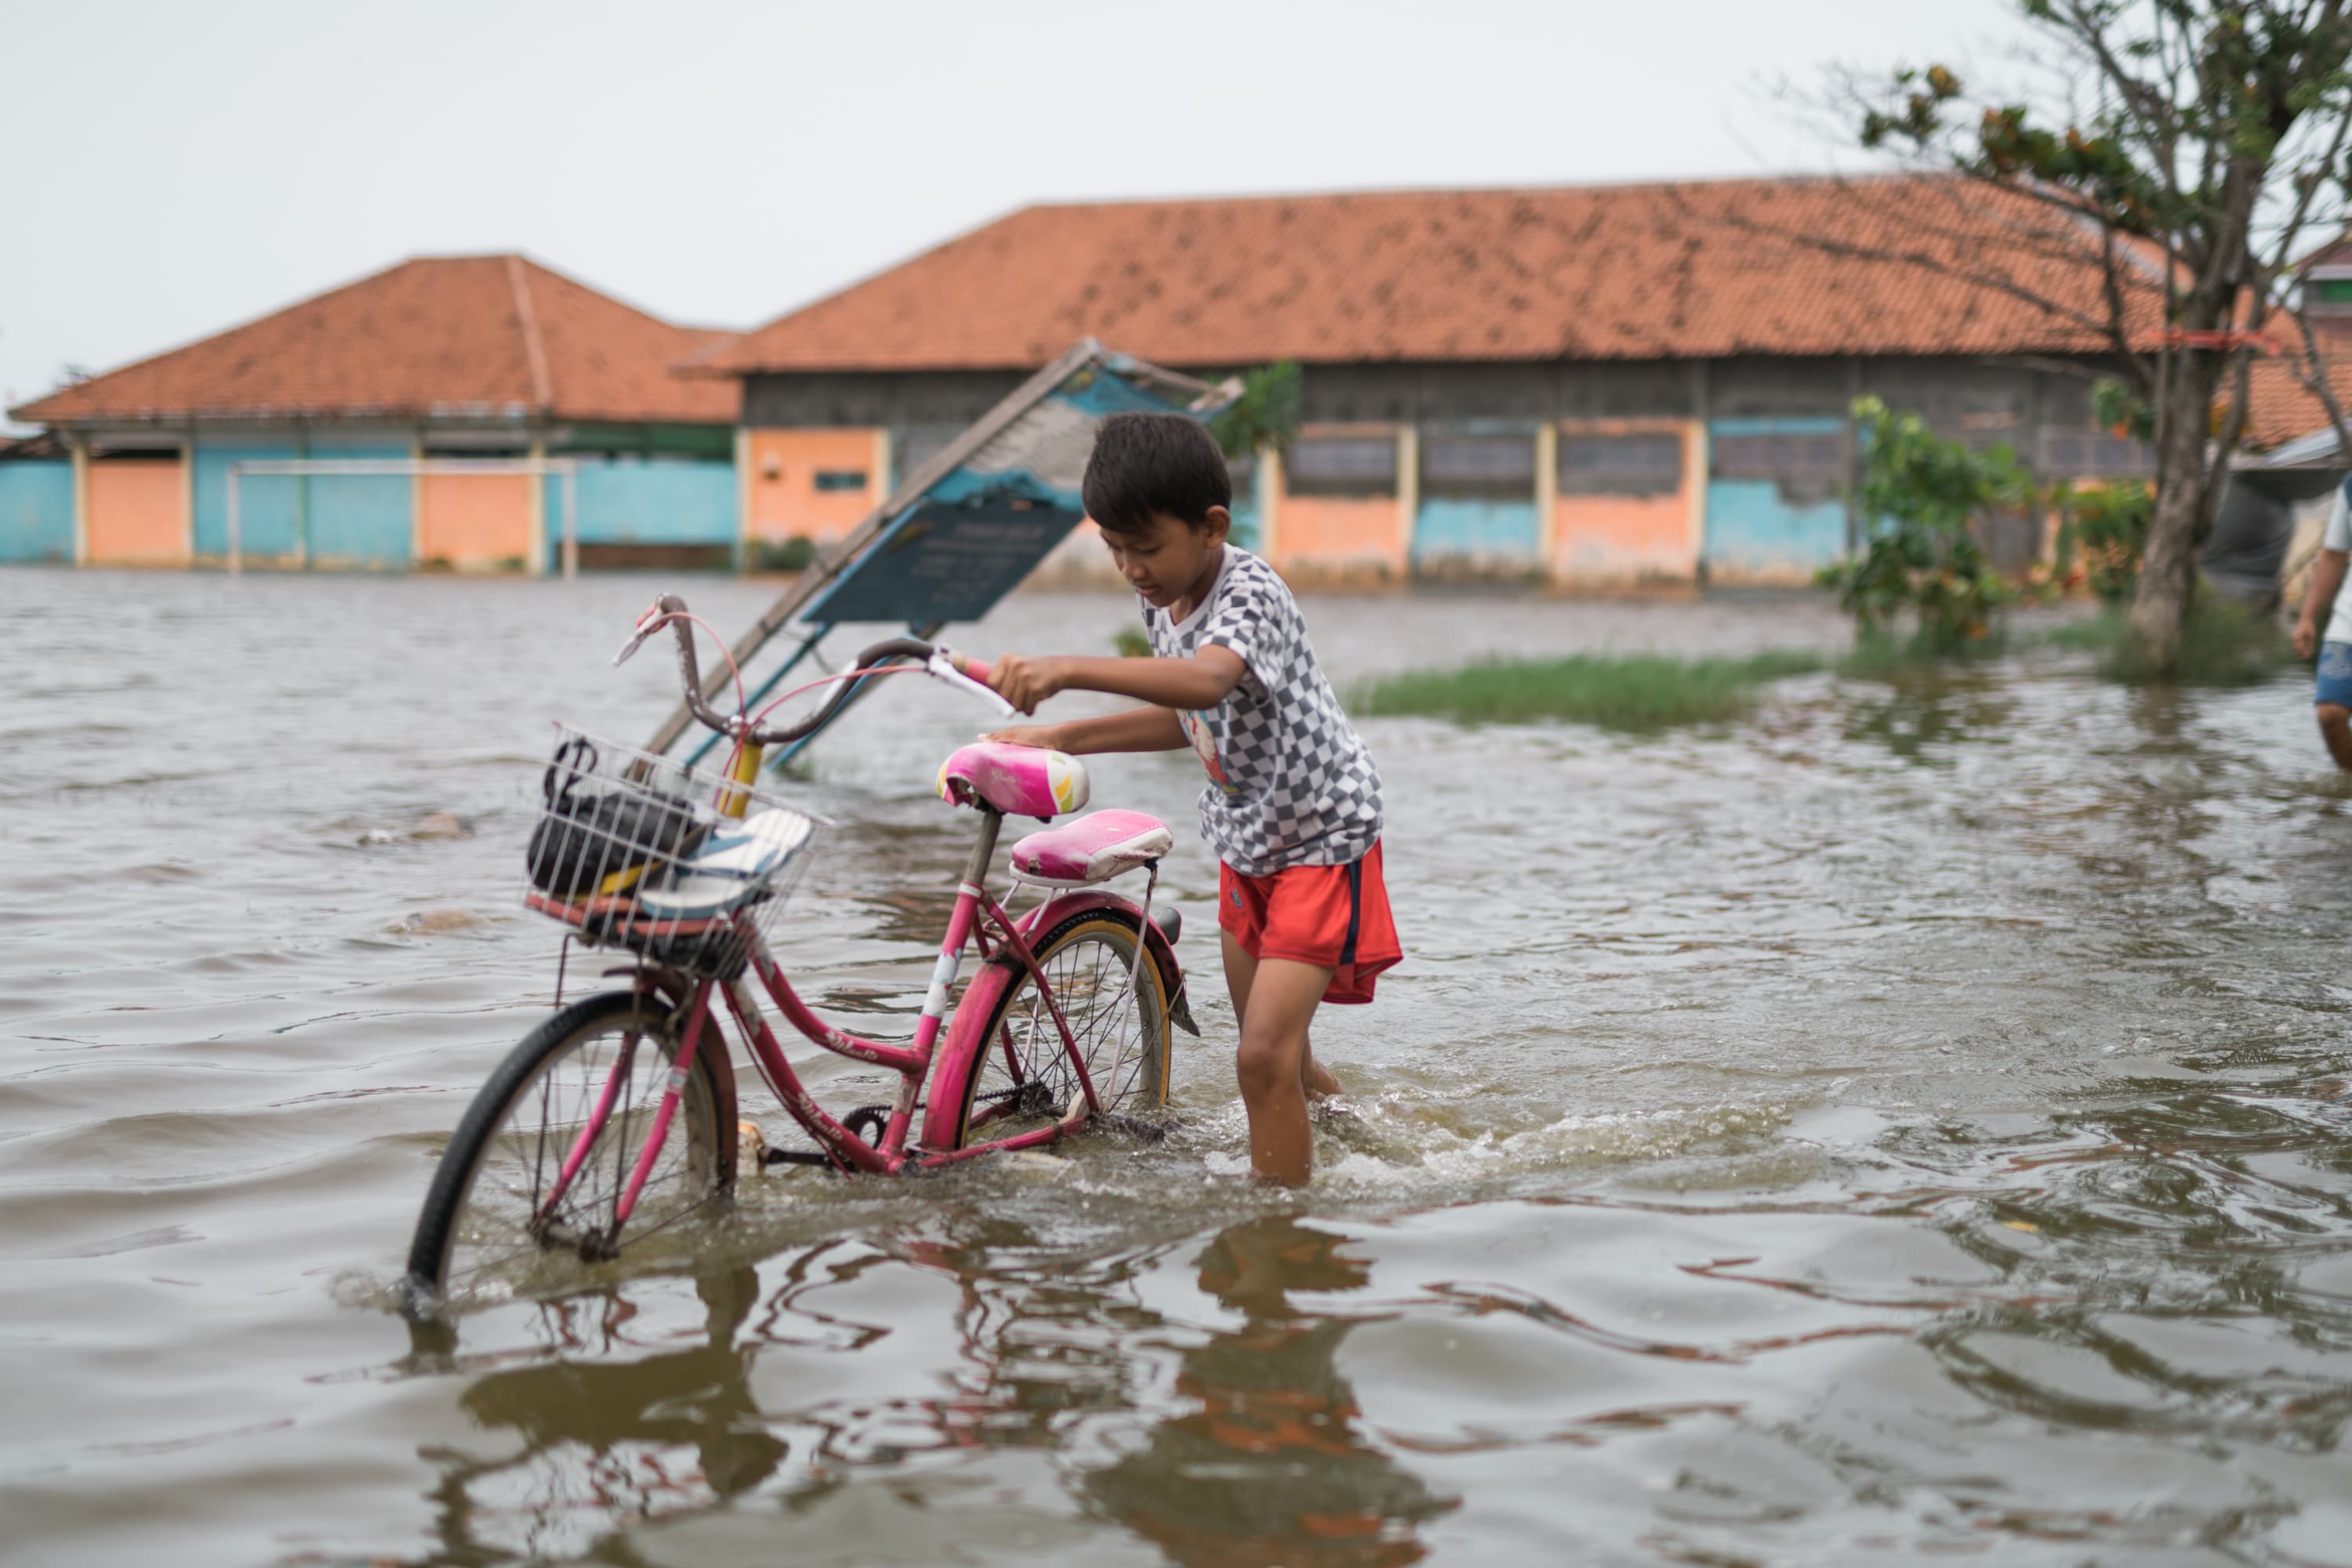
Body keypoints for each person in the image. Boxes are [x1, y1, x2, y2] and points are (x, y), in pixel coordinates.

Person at [979, 412, 1399, 1185]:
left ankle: (1276, 1232)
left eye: (1146, 547)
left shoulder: (1250, 590)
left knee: (1261, 1055)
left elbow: (1207, 680)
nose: (1132, 568)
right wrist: (1065, 735)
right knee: (1279, 1055)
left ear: (1211, 527)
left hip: (1319, 839)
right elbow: (1190, 718)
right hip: (1248, 840)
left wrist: (1069, 668)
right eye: (1114, 549)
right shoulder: (1162, 598)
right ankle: (1376, 1143)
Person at [2292, 478, 2352, 772]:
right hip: (2347, 625)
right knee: (2330, 714)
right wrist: (2307, 617)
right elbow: (2333, 554)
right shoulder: (2351, 487)